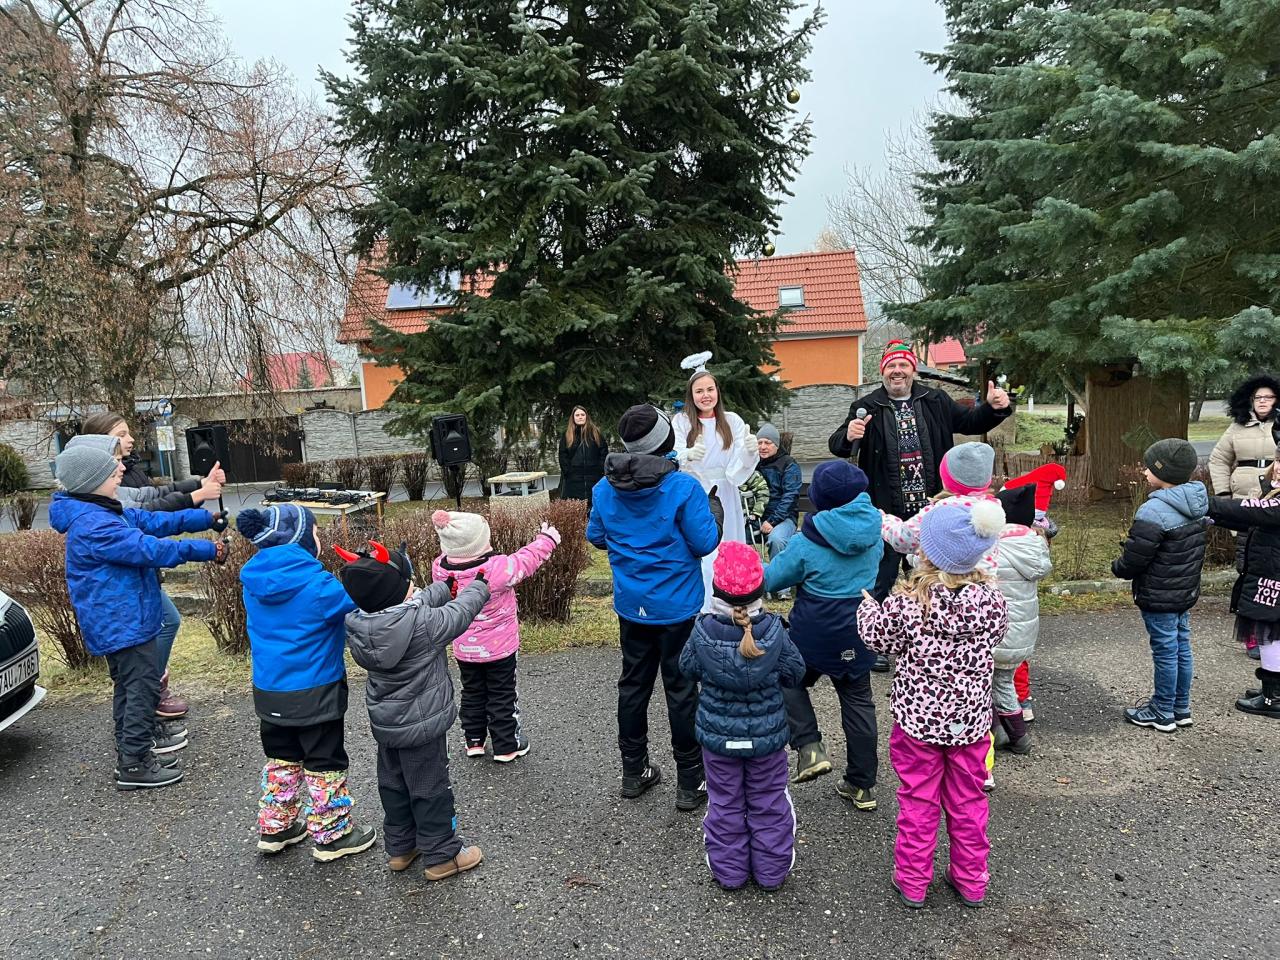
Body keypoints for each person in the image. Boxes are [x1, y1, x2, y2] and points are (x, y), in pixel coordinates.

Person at [858, 499, 1009, 909]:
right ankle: (971, 879)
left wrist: (866, 608)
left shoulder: (909, 604)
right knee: (969, 802)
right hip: (971, 724)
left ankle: (912, 881)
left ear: (927, 552)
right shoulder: (994, 601)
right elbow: (996, 637)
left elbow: (877, 639)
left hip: (918, 725)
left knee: (918, 802)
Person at [48, 444, 228, 790]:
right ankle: (134, 764)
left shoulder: (102, 510)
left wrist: (204, 519)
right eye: (110, 469)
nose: (120, 469)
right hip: (121, 623)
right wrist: (208, 549)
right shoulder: (94, 524)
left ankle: (132, 751)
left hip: (124, 619)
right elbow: (148, 548)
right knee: (142, 688)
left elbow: (152, 522)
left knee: (131, 688)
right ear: (91, 481)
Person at [587, 404, 722, 811]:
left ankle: (634, 771)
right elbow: (704, 543)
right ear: (666, 440)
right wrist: (713, 512)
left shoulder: (604, 487)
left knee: (633, 685)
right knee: (681, 689)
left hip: (632, 605)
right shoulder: (683, 488)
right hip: (677, 607)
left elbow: (596, 536)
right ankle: (691, 780)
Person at [338, 540, 492, 879]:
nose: (415, 589)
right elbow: (459, 613)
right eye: (410, 584)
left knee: (393, 785)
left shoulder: (358, 623)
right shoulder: (424, 624)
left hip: (387, 725)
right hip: (422, 727)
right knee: (430, 788)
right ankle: (442, 854)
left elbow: (413, 604)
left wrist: (443, 587)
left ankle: (401, 847)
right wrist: (479, 586)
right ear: (398, 591)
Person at [235, 504, 376, 862]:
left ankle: (276, 826)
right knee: (324, 760)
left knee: (281, 757)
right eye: (314, 532)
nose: (319, 538)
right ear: (300, 540)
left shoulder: (253, 582)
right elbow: (362, 602)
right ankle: (332, 835)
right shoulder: (319, 585)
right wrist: (371, 569)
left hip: (269, 692)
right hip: (317, 691)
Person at [827, 340, 1013, 603]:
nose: (897, 370)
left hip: (930, 511)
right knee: (880, 580)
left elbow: (970, 422)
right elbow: (836, 445)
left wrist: (993, 408)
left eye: (903, 365)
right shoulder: (867, 406)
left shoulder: (935, 400)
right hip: (887, 512)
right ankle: (877, 625)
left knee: (928, 582)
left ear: (913, 370)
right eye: (891, 365)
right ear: (883, 371)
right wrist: (848, 436)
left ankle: (924, 623)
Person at [81, 411, 226, 721]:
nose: (130, 439)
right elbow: (147, 515)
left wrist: (198, 485)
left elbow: (154, 496)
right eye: (120, 435)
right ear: (99, 443)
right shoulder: (101, 489)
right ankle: (148, 701)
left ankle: (145, 703)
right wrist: (197, 497)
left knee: (156, 638)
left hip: (137, 580)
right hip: (124, 589)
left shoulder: (126, 471)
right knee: (142, 662)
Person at [679, 541, 806, 892]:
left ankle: (729, 873)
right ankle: (771, 872)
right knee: (769, 802)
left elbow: (686, 668)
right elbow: (796, 673)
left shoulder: (702, 632)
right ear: (760, 590)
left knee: (725, 803)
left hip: (718, 742)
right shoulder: (775, 633)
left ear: (716, 589)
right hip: (767, 740)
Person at [761, 461, 883, 807]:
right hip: (858, 629)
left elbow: (772, 579)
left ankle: (809, 745)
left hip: (814, 632)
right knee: (858, 701)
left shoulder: (806, 542)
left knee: (786, 677)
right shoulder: (875, 534)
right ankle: (861, 784)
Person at [430, 509, 560, 761]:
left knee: (472, 692)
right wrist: (546, 540)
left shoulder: (441, 569)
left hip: (465, 647)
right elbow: (526, 560)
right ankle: (507, 744)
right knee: (502, 694)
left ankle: (474, 740)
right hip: (500, 648)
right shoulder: (495, 568)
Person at [1111, 440, 1209, 733]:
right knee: (1181, 648)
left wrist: (1118, 567)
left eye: (1148, 467)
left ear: (1162, 472)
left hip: (1159, 594)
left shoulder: (1153, 511)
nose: (1144, 471)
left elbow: (1135, 558)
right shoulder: (1197, 501)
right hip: (1184, 592)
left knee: (1165, 651)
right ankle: (1181, 707)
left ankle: (1162, 711)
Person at [671, 352, 759, 609]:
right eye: (699, 391)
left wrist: (749, 452)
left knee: (728, 544)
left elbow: (739, 460)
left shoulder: (731, 421)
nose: (705, 395)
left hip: (726, 493)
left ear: (717, 391)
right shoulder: (682, 421)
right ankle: (704, 603)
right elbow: (674, 453)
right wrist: (687, 455)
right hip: (696, 494)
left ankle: (733, 598)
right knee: (703, 547)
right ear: (691, 395)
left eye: (710, 389)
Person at [1206, 423, 1280, 719]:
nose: (1278, 468)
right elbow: (1251, 518)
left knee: (1270, 633)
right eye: (1278, 459)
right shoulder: (1273, 492)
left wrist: (1207, 504)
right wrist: (1212, 517)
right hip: (1269, 571)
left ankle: (1274, 696)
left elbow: (1253, 511)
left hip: (1274, 576)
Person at [997, 462, 1068, 717]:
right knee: (1019, 662)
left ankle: (1002, 713)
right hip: (1025, 623)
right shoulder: (1034, 545)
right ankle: (1023, 702)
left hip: (998, 620)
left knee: (996, 668)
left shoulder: (998, 547)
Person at [990, 485, 1053, 758]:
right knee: (1003, 682)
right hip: (1022, 635)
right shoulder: (1033, 545)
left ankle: (1011, 735)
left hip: (997, 633)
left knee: (988, 686)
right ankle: (1008, 734)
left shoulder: (996, 547)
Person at [880, 442, 1000, 576]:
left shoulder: (939, 512)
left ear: (947, 480)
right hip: (985, 582)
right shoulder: (994, 511)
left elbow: (902, 539)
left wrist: (883, 520)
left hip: (945, 583)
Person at [1209, 375, 1279, 500]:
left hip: (1275, 495)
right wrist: (1223, 492)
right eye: (1258, 397)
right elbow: (1219, 460)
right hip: (1241, 498)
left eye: (1268, 397)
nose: (1262, 401)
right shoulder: (1236, 428)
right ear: (1251, 400)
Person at [755, 422, 802, 566]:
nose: (763, 447)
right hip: (756, 517)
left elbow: (790, 496)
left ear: (776, 444)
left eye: (767, 443)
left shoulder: (788, 464)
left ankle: (780, 579)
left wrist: (772, 521)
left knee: (777, 540)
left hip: (783, 518)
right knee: (734, 535)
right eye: (759, 443)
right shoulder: (753, 464)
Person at [558, 406, 610, 503]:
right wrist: (568, 471)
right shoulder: (567, 435)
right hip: (574, 480)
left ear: (586, 416)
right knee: (576, 506)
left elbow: (604, 452)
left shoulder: (595, 433)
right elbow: (563, 455)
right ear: (573, 418)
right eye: (577, 415)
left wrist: (600, 468)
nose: (580, 417)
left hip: (594, 478)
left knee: (594, 504)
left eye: (582, 414)